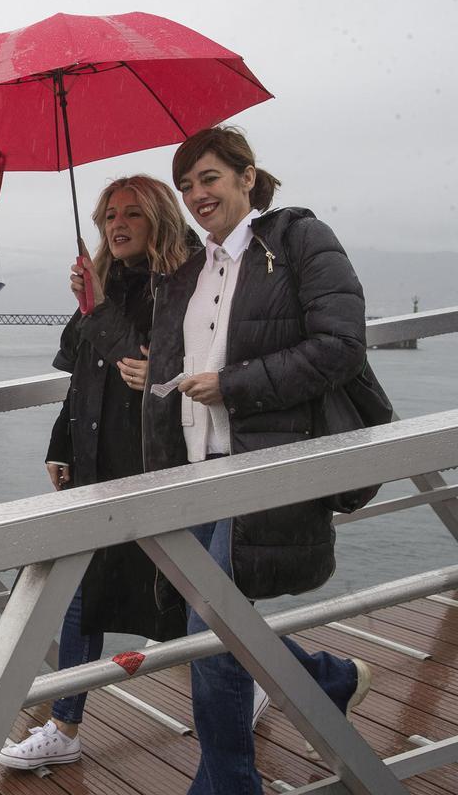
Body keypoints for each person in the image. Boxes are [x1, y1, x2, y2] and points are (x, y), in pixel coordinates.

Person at [143, 126, 373, 794]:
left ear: (248, 177)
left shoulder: (301, 242)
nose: (195, 195)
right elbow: (184, 357)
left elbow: (342, 345)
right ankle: (328, 680)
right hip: (198, 469)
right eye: (186, 186)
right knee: (221, 625)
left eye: (209, 178)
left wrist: (233, 385)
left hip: (263, 466)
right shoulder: (192, 269)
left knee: (209, 630)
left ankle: (227, 786)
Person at [0, 175, 200, 770]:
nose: (117, 224)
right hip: (96, 465)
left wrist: (97, 306)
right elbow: (83, 376)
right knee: (78, 593)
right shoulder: (107, 283)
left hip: (154, 467)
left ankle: (299, 675)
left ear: (159, 217)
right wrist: (60, 444)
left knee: (194, 597)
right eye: (109, 214)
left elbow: (144, 363)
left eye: (132, 213)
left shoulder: (183, 282)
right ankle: (65, 724)